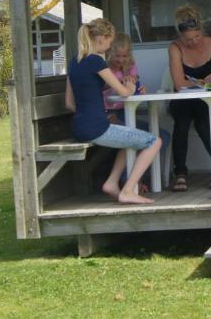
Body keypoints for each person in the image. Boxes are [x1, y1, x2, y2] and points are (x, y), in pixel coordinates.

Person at [65, 18, 161, 204]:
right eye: (110, 41)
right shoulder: (96, 61)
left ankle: (111, 183)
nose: (110, 46)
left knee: (129, 139)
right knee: (154, 141)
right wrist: (131, 87)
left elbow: (69, 103)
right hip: (97, 128)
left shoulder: (74, 62)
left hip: (79, 127)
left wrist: (89, 109)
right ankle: (128, 190)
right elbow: (124, 93)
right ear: (102, 38)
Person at [166, 4, 211, 192]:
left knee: (204, 124)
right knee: (181, 123)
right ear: (180, 36)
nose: (194, 42)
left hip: (208, 98)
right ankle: (180, 172)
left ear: (201, 30)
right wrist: (199, 83)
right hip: (183, 98)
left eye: (197, 36)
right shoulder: (175, 48)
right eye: (188, 39)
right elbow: (179, 83)